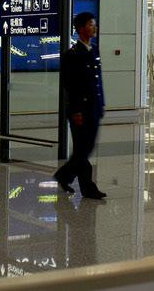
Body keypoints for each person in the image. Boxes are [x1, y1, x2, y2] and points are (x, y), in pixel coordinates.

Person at [52, 12, 108, 199]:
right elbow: (70, 85)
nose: (94, 27)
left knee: (85, 149)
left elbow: (97, 81)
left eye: (94, 24)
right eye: (91, 24)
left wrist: (101, 103)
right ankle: (86, 187)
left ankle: (64, 176)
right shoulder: (72, 55)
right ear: (81, 29)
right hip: (80, 111)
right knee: (83, 149)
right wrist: (75, 110)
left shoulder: (94, 50)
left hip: (94, 108)